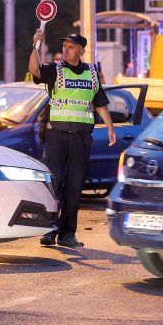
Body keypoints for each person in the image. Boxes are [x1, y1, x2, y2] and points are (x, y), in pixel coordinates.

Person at [29, 30, 116, 248]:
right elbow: (33, 70)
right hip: (56, 136)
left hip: (81, 138)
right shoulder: (55, 70)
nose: (65, 49)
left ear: (81, 51)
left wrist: (110, 127)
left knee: (75, 186)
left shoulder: (92, 74)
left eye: (70, 46)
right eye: (64, 45)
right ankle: (49, 231)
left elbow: (100, 103)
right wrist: (35, 46)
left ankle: (68, 235)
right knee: (54, 184)